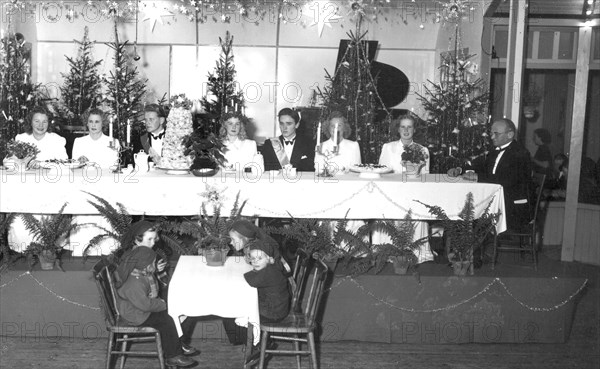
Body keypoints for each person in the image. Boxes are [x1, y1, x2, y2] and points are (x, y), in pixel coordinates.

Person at [115, 247, 198, 368]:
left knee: (170, 315)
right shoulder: (134, 283)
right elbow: (145, 305)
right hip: (135, 315)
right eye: (153, 262)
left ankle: (177, 345)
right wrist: (163, 304)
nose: (154, 264)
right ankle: (173, 356)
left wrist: (161, 303)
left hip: (139, 309)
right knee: (166, 320)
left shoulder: (140, 274)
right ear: (145, 265)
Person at [449, 118, 532, 231]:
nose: (492, 137)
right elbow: (479, 165)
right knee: (463, 210)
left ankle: (468, 245)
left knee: (468, 214)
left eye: (496, 134)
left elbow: (507, 180)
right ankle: (461, 245)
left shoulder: (521, 153)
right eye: (491, 133)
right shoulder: (495, 150)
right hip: (498, 201)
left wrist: (478, 177)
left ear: (510, 134)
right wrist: (459, 169)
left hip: (512, 207)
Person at [223, 219, 283, 345]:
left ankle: (259, 343)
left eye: (234, 240)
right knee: (230, 304)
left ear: (245, 239)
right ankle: (249, 341)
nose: (231, 243)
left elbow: (252, 279)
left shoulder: (262, 254)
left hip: (273, 309)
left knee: (228, 307)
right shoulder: (258, 250)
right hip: (273, 302)